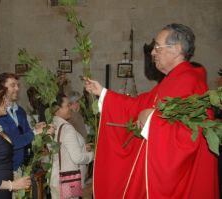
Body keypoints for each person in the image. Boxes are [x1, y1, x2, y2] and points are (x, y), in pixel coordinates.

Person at [85, 23, 219, 198]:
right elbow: (139, 105)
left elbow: (188, 138)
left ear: (176, 49)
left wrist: (151, 120)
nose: (153, 52)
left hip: (184, 184)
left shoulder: (189, 82)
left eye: (157, 47)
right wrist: (103, 93)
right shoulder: (173, 80)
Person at [0, 73, 46, 198]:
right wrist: (33, 133)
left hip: (23, 166)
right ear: (2, 88)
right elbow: (9, 143)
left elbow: (26, 136)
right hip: (7, 168)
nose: (17, 89)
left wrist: (37, 130)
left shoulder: (20, 111)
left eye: (18, 85)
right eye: (13, 85)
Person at [50, 93, 94, 199]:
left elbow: (62, 149)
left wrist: (82, 147)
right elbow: (77, 158)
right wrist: (92, 155)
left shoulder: (52, 124)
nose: (70, 108)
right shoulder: (67, 129)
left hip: (56, 178)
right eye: (67, 105)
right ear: (57, 109)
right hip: (69, 180)